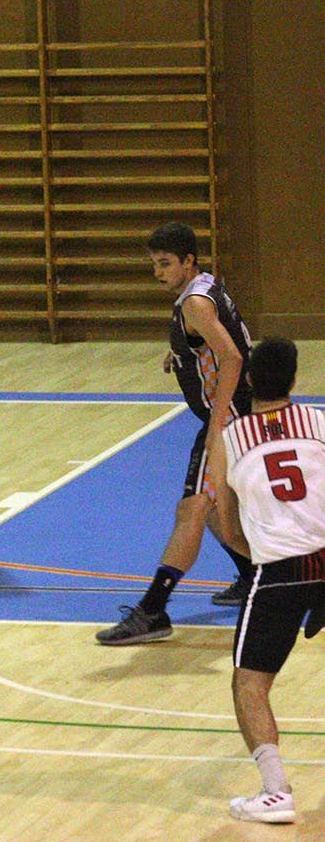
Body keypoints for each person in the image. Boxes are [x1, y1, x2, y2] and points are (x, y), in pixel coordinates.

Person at [97, 221, 255, 645]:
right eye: (153, 265)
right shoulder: (206, 288)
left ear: (189, 260)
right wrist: (181, 353)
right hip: (238, 415)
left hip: (229, 420)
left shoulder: (195, 305)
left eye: (165, 264)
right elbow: (219, 339)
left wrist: (218, 423)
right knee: (216, 509)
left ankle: (153, 610)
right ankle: (252, 576)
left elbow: (233, 357)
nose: (158, 272)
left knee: (191, 510)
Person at [206, 338, 325, 824]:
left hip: (277, 571)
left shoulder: (229, 439)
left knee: (250, 685)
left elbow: (224, 520)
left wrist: (254, 556)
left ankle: (276, 792)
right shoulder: (320, 424)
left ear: (249, 380)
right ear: (296, 381)